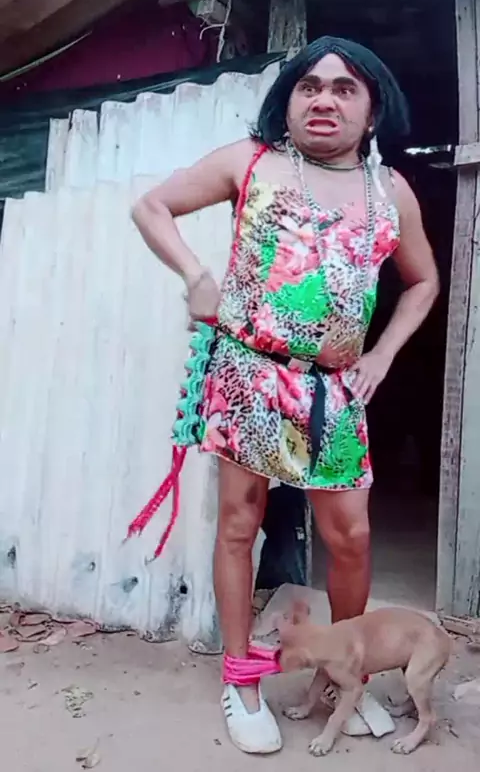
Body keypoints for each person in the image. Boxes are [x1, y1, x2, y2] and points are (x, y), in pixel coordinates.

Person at [131, 37, 439, 754]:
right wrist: (195, 276)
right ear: (289, 101)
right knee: (239, 525)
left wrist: (383, 354)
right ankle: (242, 680)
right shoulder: (252, 162)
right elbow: (152, 208)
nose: (324, 99)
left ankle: (339, 678)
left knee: (350, 537)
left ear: (372, 111)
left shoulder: (389, 190)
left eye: (344, 88)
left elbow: (423, 281)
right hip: (249, 373)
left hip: (333, 391)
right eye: (309, 86)